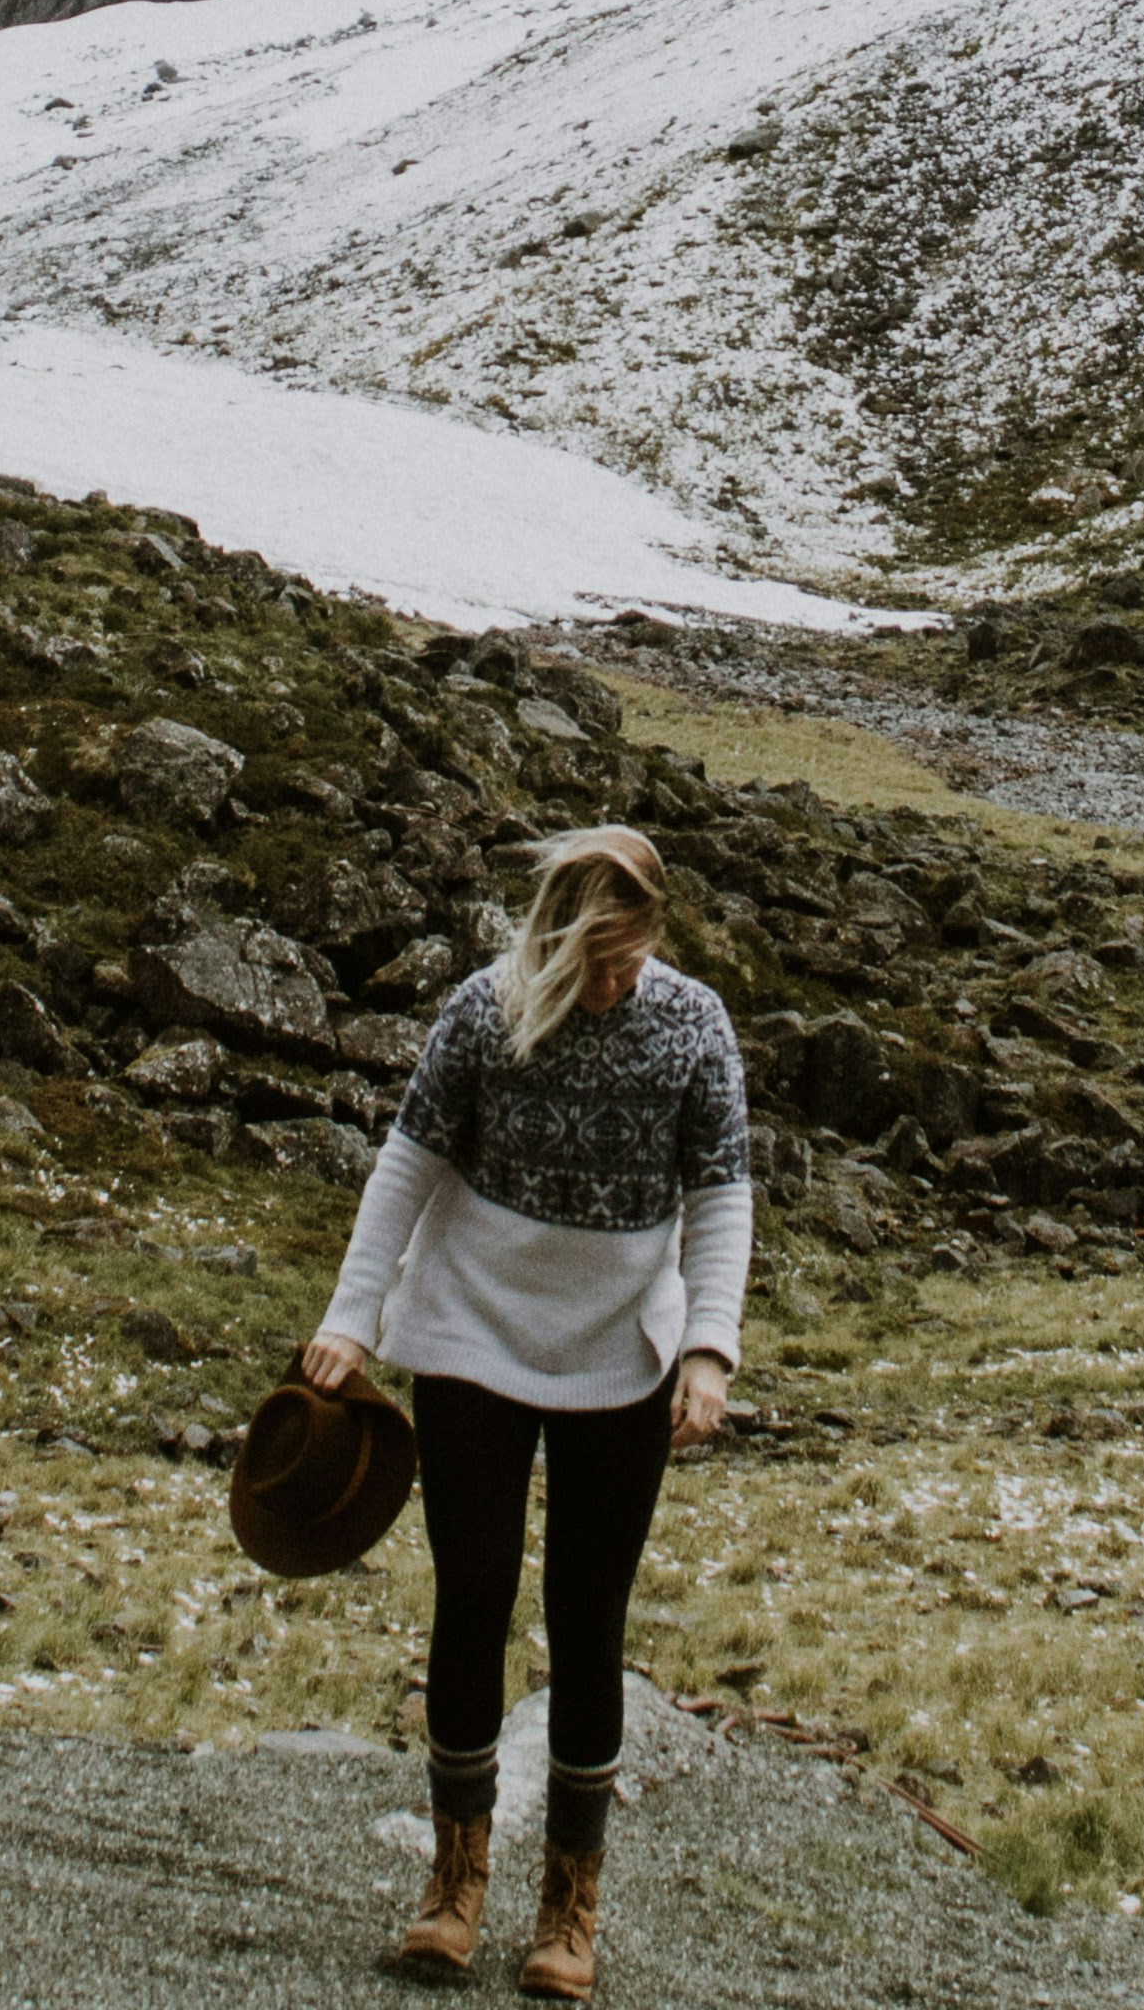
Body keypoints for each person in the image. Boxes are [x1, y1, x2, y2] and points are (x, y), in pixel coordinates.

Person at [304, 822, 749, 1999]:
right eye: (588, 961)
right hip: (469, 1331)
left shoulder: (694, 1023)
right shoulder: (483, 1009)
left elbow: (720, 1193)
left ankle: (569, 1900)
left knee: (586, 1614)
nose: (606, 985)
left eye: (624, 960)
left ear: (650, 937)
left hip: (620, 1349)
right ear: (550, 937)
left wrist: (708, 1347)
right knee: (474, 1589)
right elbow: (408, 1165)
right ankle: (454, 1879)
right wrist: (354, 1317)